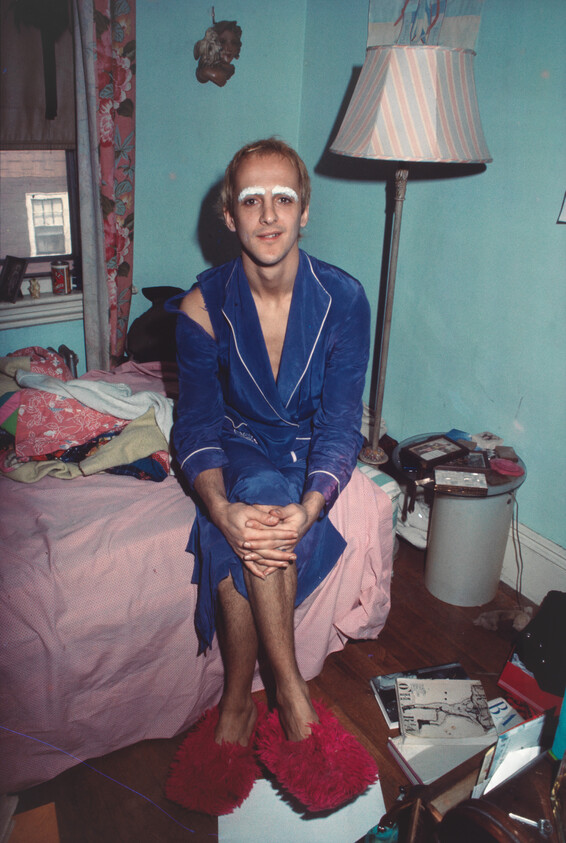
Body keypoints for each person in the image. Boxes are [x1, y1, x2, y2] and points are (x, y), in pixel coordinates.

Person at [165, 138, 377, 815]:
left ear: (305, 211)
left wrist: (313, 506)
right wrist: (219, 509)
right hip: (244, 443)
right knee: (249, 501)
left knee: (264, 510)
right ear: (228, 215)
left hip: (309, 449)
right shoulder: (201, 306)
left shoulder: (344, 297)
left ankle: (236, 704)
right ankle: (290, 697)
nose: (267, 215)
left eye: (282, 197)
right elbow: (196, 427)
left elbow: (344, 423)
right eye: (250, 199)